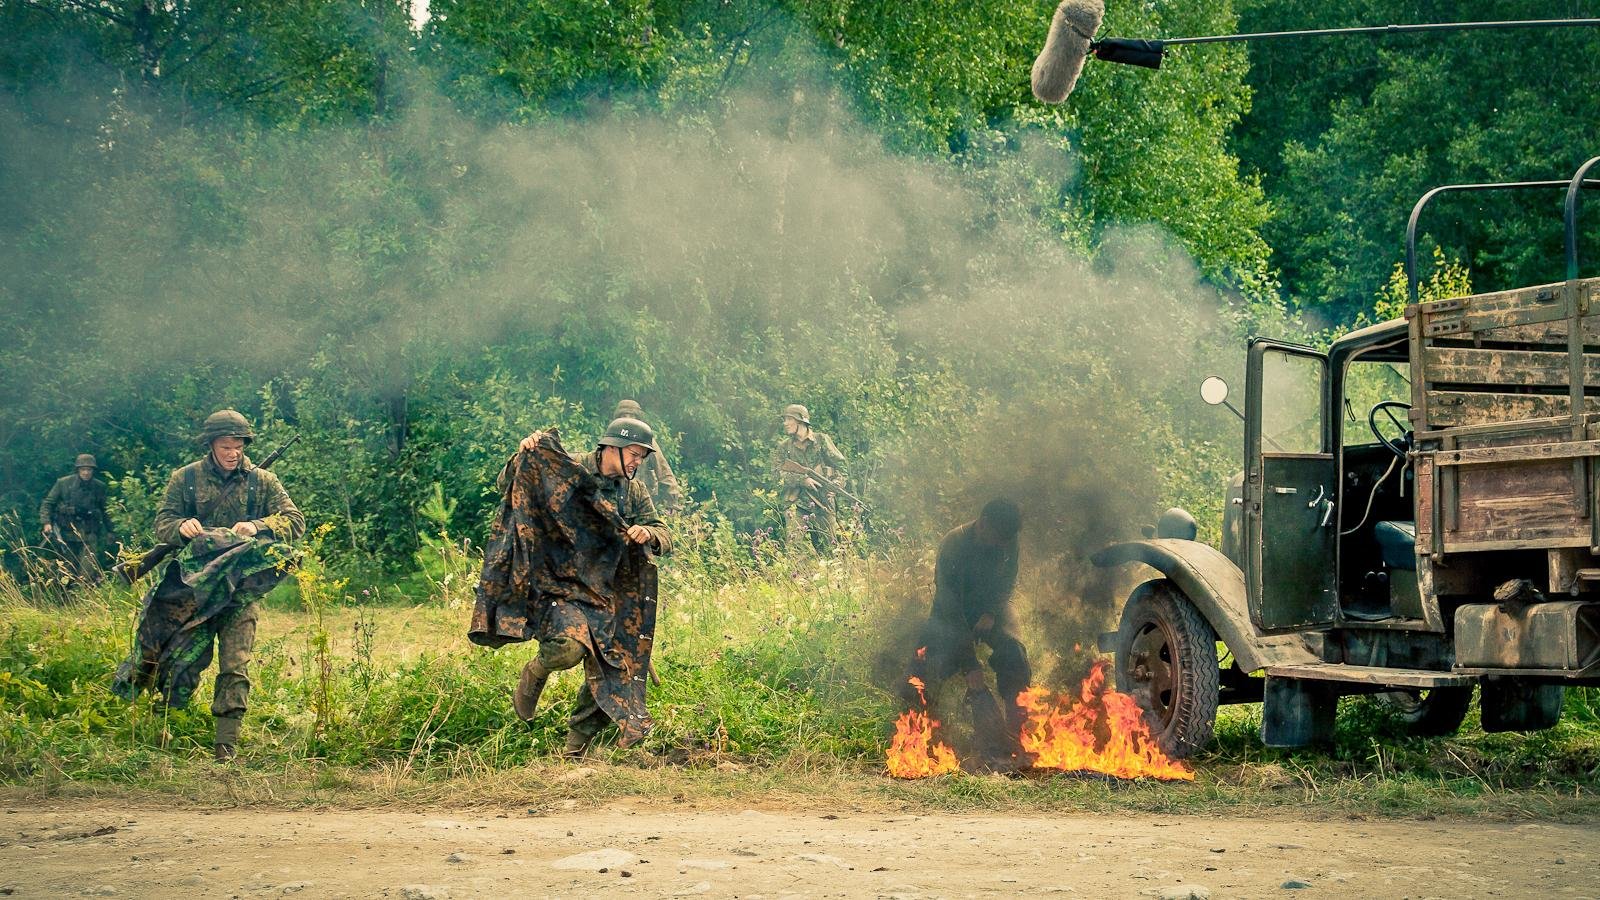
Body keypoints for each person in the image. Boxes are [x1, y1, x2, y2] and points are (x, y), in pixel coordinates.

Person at [119, 409, 304, 762]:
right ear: (211, 445)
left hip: (238, 590)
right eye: (225, 446)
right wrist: (181, 527)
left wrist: (259, 525)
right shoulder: (186, 479)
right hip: (193, 591)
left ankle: (226, 745)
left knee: (235, 664)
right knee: (182, 662)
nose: (233, 452)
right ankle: (164, 732)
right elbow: (163, 523)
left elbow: (294, 520)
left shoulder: (262, 480)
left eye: (238, 445)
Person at [497, 417, 673, 756]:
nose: (638, 463)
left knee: (617, 669)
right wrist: (524, 454)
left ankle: (575, 747)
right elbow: (511, 482)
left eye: (642, 457)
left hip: (607, 592)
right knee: (568, 648)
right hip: (560, 585)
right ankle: (536, 671)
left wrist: (648, 534)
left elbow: (662, 530)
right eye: (634, 454)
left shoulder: (633, 490)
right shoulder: (569, 467)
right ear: (611, 448)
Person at [904, 498, 1031, 764]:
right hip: (950, 614)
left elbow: (1008, 581)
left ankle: (1015, 732)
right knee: (921, 667)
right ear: (983, 525)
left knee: (1015, 653)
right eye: (998, 538)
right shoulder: (954, 545)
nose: (1001, 546)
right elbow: (949, 606)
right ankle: (928, 738)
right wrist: (971, 665)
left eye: (1006, 540)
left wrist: (992, 614)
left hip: (988, 611)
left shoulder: (1008, 540)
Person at [770, 403, 848, 552]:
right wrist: (802, 480)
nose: (785, 423)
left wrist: (837, 485)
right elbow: (775, 474)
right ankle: (800, 576)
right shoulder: (784, 447)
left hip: (823, 502)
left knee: (833, 550)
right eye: (784, 420)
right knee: (795, 549)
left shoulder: (821, 440)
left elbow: (842, 467)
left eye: (788, 419)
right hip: (797, 504)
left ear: (800, 422)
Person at [39, 453, 114, 582]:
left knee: (87, 571)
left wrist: (111, 531)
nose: (86, 472)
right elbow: (48, 503)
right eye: (83, 469)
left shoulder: (99, 486)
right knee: (68, 571)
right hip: (68, 533)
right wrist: (46, 522)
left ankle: (84, 597)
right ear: (78, 470)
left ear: (93, 471)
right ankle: (68, 599)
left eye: (89, 469)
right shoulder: (63, 483)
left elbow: (106, 510)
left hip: (89, 533)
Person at [613, 399, 685, 514]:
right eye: (624, 415)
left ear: (638, 419)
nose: (628, 419)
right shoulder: (612, 440)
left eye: (632, 416)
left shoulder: (646, 441)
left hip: (642, 501)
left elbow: (663, 470)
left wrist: (671, 502)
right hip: (616, 500)